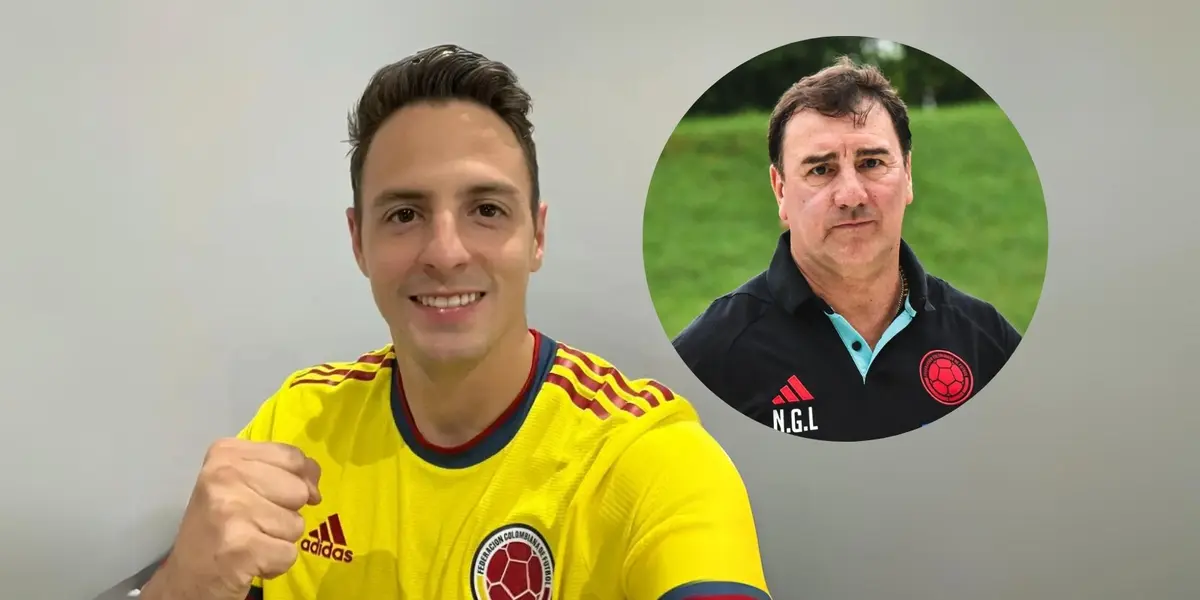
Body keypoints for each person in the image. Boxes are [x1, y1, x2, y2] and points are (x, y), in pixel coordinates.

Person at [137, 45, 771, 600]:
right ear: (359, 241)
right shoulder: (296, 424)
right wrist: (185, 586)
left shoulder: (648, 460)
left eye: (487, 209)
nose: (445, 252)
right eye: (405, 214)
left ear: (537, 237)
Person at [673, 56, 1021, 443]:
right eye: (820, 170)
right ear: (781, 190)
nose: (851, 195)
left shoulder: (987, 344)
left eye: (872, 162)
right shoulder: (707, 362)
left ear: (907, 175)